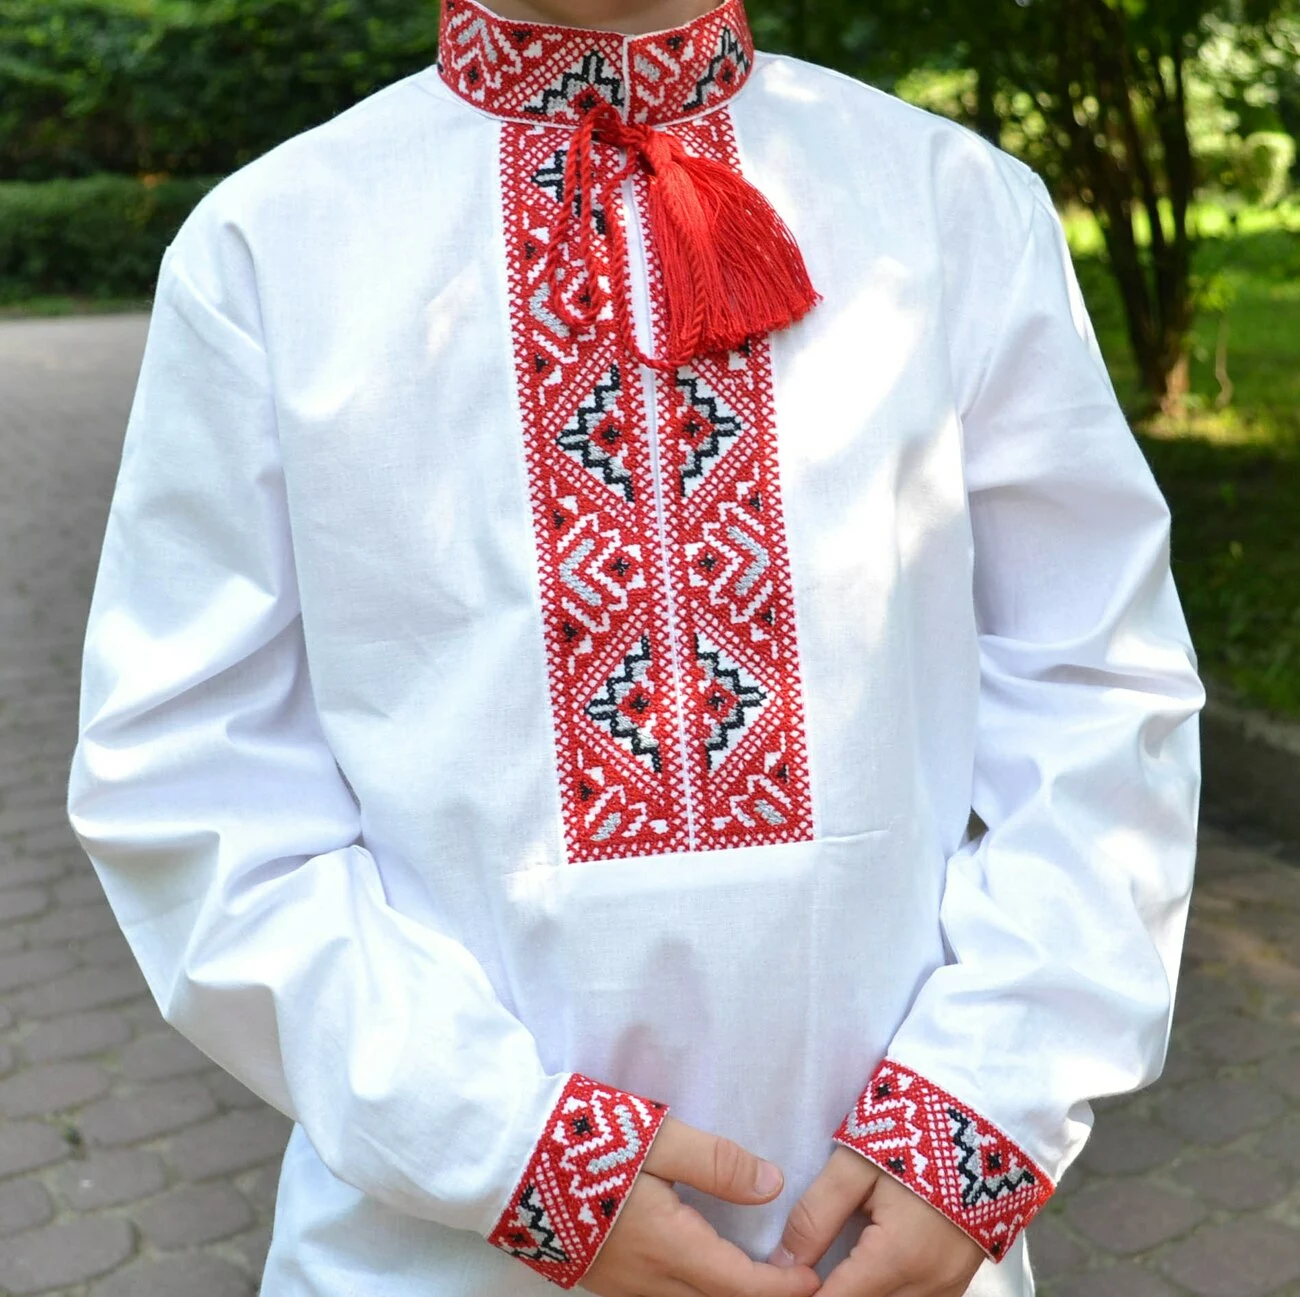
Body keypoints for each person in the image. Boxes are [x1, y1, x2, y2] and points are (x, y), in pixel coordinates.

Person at [66, 0, 1205, 1294]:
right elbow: (191, 787)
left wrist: (988, 1104)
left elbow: (1100, 690)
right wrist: (517, 1153)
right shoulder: (273, 249)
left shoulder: (948, 207)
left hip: (885, 1243)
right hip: (440, 1252)